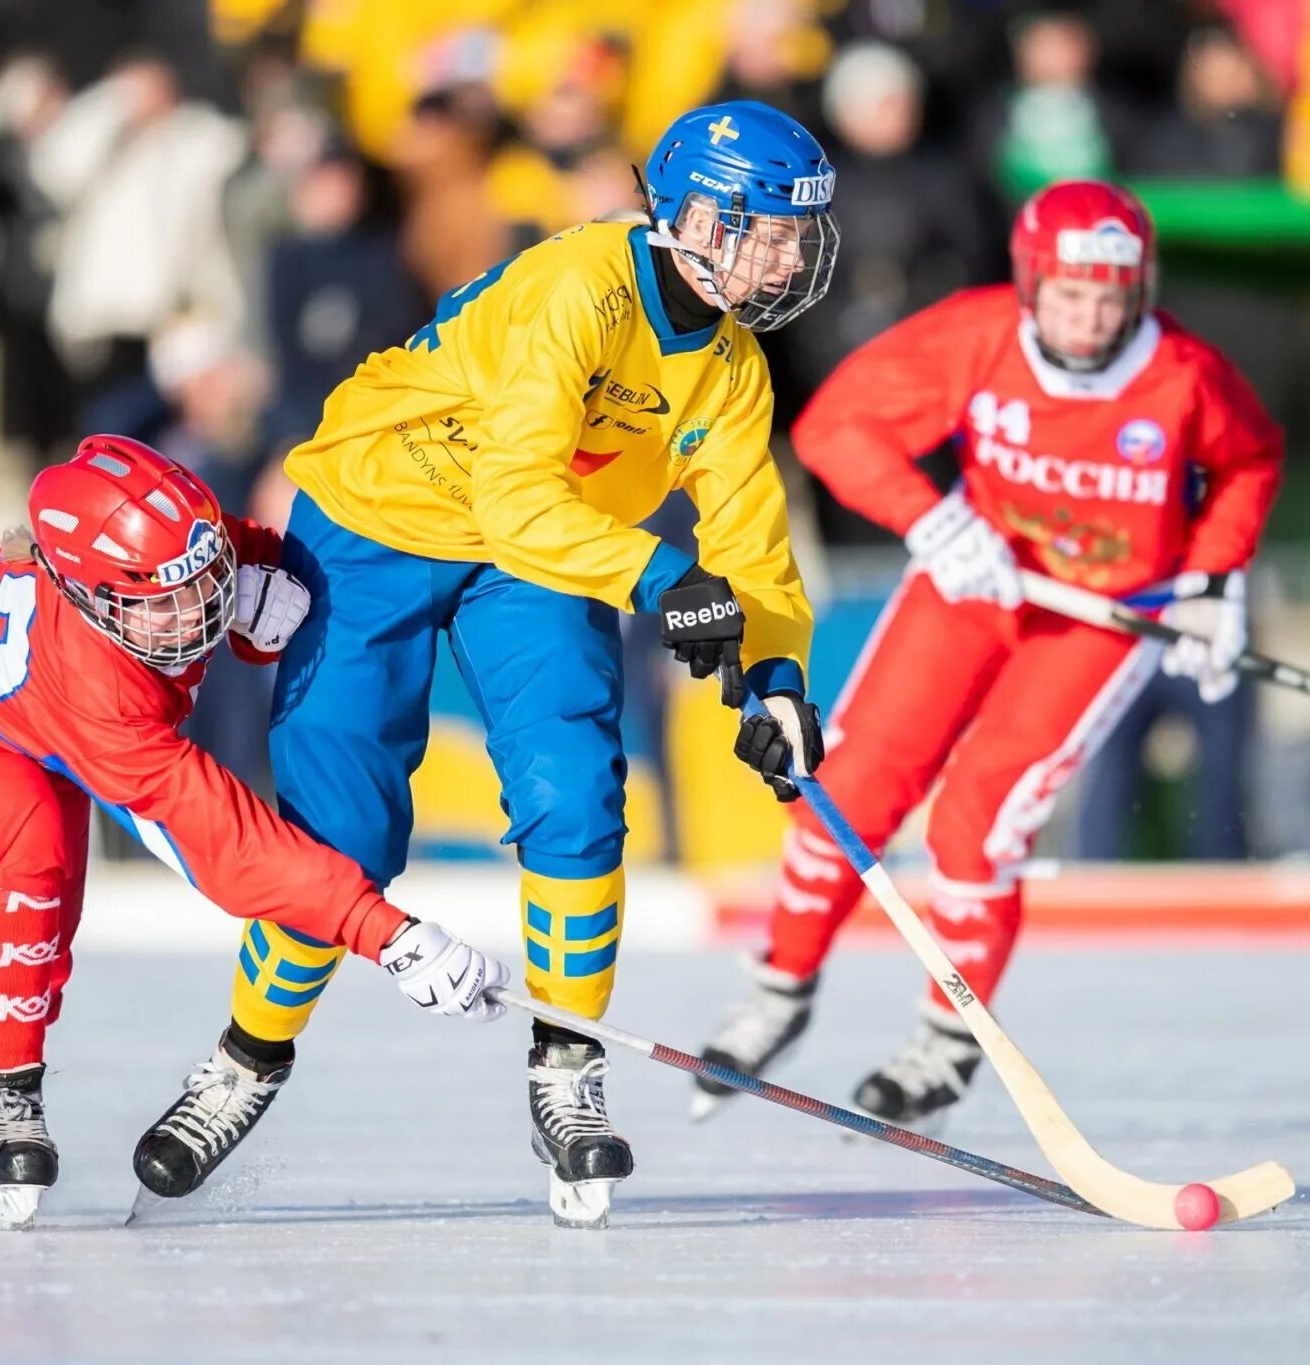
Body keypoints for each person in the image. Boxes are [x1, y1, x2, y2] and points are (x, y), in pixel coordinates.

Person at [132, 100, 837, 1229]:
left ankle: (566, 1071)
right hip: (380, 515)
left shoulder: (733, 369)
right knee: (342, 835)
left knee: (575, 798)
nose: (785, 256)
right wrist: (660, 578)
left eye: (796, 235)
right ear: (691, 216)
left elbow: (752, 547)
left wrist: (779, 682)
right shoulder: (577, 288)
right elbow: (515, 498)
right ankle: (244, 1062)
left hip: (544, 550)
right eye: (762, 229)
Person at [0, 436, 508, 1230]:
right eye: (164, 600)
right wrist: (389, 934)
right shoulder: (99, 690)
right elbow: (225, 843)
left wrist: (249, 577)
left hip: (0, 715)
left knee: (39, 899)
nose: (194, 606)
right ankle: (4, 1087)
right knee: (16, 845)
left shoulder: (173, 553)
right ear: (90, 599)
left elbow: (218, 558)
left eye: (205, 581)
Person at [693, 181, 1283, 1132]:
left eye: (1109, 295)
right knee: (847, 784)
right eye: (1069, 293)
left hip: (1102, 613)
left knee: (979, 821)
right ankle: (780, 988)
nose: (1089, 317)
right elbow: (834, 427)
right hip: (974, 581)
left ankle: (947, 1038)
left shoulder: (1183, 374)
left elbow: (1249, 463)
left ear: (1138, 290)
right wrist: (930, 516)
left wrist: (1214, 579)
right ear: (1030, 284)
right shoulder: (976, 337)